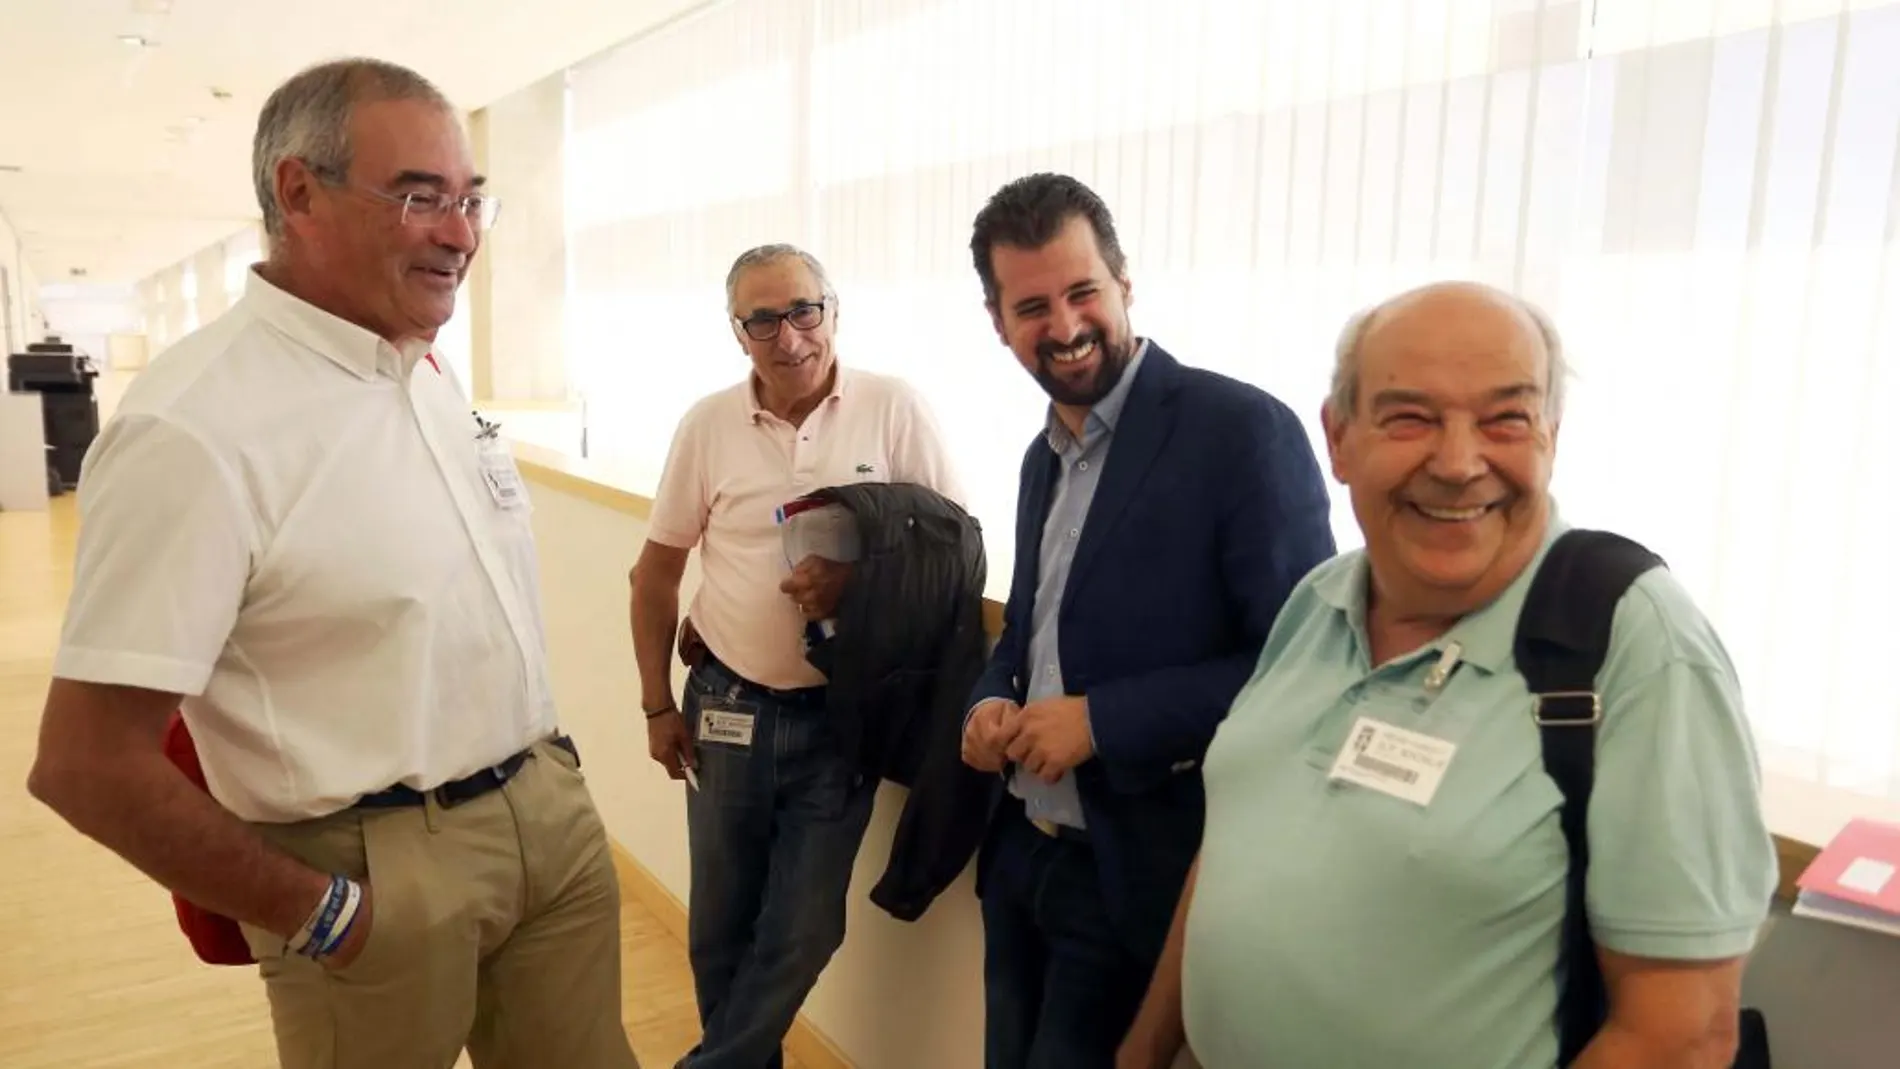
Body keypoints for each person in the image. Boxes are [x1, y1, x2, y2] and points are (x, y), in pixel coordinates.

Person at [25, 58, 639, 1069]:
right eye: (417, 198)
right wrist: (316, 912)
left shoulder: (423, 371)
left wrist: (553, 803)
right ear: (297, 193)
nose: (458, 233)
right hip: (371, 869)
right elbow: (87, 763)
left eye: (468, 199)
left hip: (549, 819)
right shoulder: (194, 427)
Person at [1117, 281, 1779, 1069]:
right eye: (1410, 417)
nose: (1461, 463)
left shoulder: (1633, 643)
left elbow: (1684, 1033)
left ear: (1551, 437)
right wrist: (1142, 1053)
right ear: (1338, 438)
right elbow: (1233, 843)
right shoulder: (1318, 599)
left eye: (1506, 417)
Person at [959, 172, 1338, 1069]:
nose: (1065, 326)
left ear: (1124, 284)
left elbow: (1304, 665)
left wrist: (1103, 719)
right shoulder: (1039, 456)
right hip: (1022, 856)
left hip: (1135, 875)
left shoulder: (1241, 430)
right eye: (1032, 306)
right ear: (997, 320)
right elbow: (1027, 633)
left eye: (1083, 291)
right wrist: (987, 703)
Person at [628, 243, 964, 1069]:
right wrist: (656, 703)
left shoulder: (893, 409)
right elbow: (655, 574)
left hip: (841, 723)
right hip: (726, 709)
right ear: (738, 332)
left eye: (803, 310)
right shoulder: (708, 424)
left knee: (807, 925)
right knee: (720, 927)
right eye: (763, 319)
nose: (789, 335)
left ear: (833, 311)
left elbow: (955, 550)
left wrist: (858, 578)